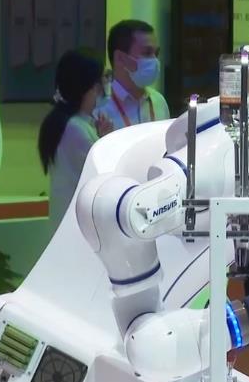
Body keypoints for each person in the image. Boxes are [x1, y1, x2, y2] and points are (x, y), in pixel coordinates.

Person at [39, 49, 114, 231]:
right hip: (76, 228)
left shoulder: (75, 123)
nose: (107, 83)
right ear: (91, 85)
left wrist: (101, 138)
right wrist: (107, 141)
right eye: (104, 77)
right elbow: (106, 174)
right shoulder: (75, 129)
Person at [97, 20, 170, 128]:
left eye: (156, 53)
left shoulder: (159, 101)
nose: (155, 60)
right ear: (120, 58)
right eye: (147, 53)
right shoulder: (100, 107)